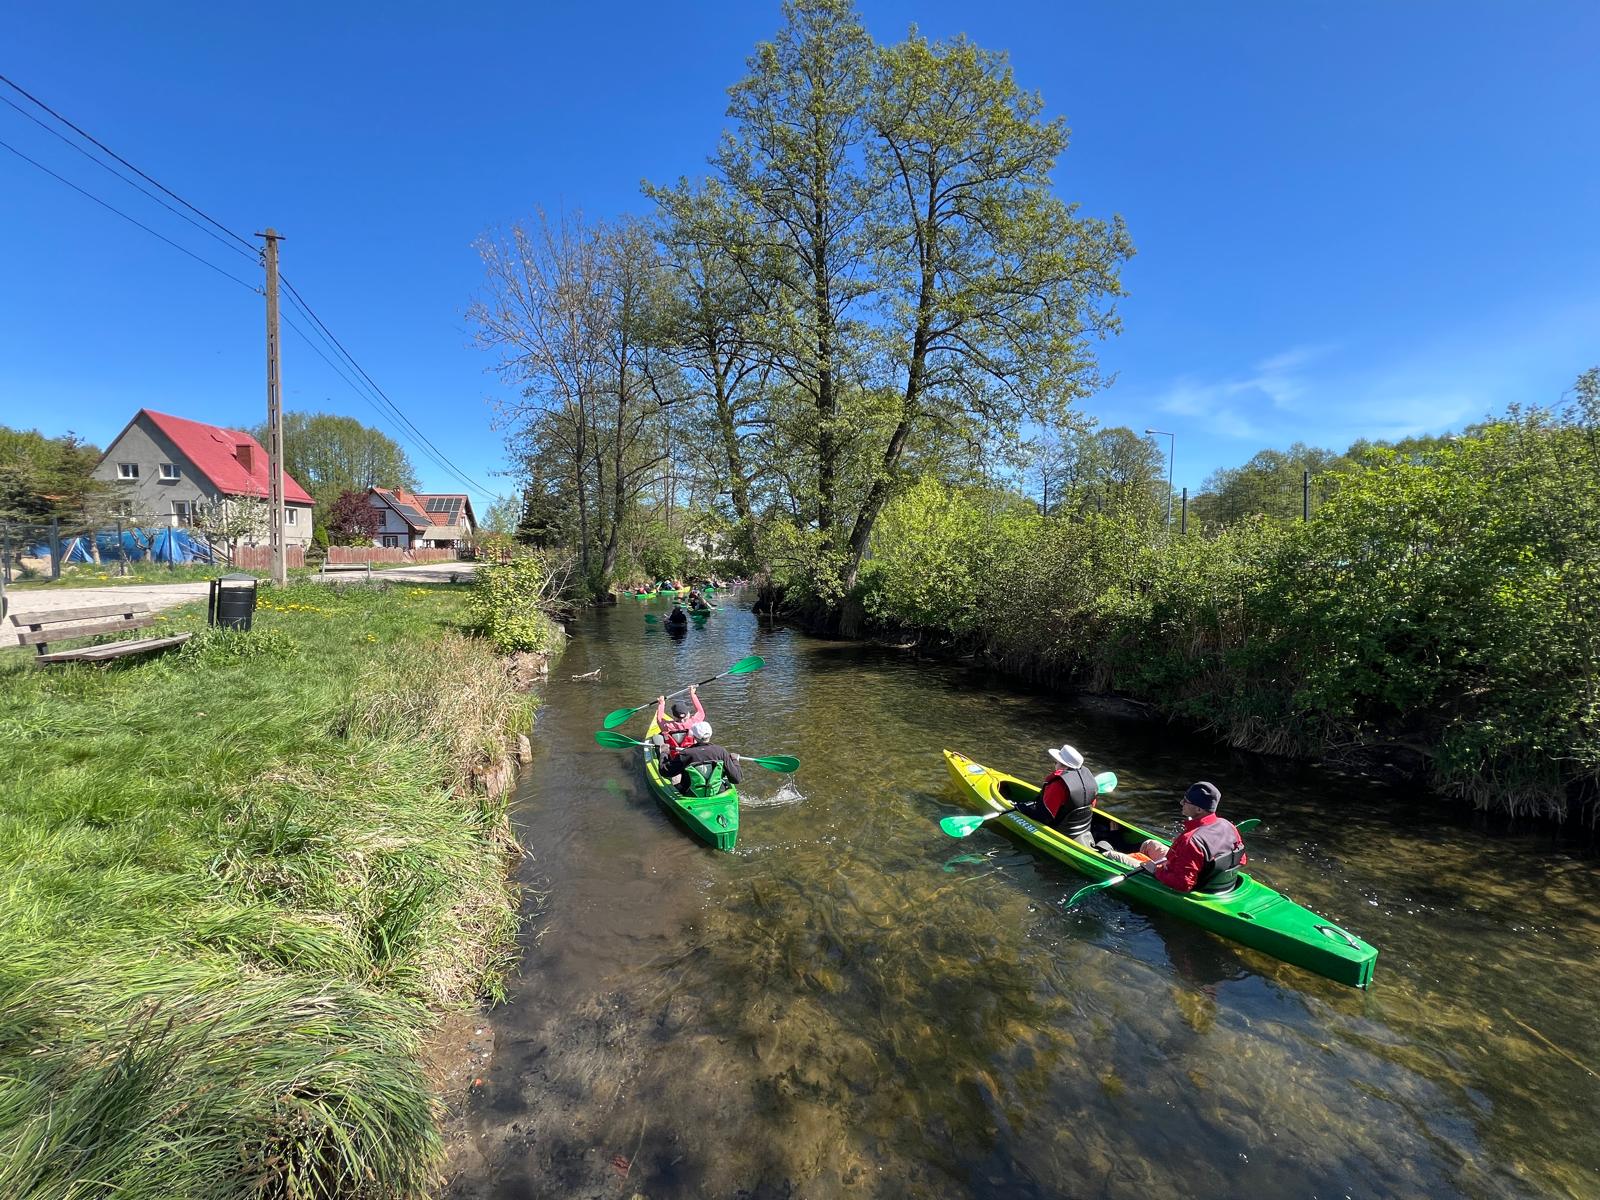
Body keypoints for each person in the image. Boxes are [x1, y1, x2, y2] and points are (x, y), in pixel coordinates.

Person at [1136, 782, 1247, 894]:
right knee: (1149, 844)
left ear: (1199, 810)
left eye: (1186, 801)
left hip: (1186, 882)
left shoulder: (1191, 840)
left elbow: (1183, 884)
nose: (1181, 802)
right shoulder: (1228, 825)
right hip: (1219, 884)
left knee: (1123, 859)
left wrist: (1155, 870)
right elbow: (1242, 860)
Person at [664, 721, 743, 797]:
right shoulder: (721, 751)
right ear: (710, 734)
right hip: (717, 792)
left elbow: (665, 772)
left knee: (675, 780)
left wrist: (664, 753)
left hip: (691, 794)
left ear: (694, 737)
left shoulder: (685, 753)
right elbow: (736, 779)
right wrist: (735, 760)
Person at [653, 686, 704, 751]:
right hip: (691, 752)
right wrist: (692, 694)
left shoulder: (668, 726)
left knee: (657, 737)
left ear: (674, 716)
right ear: (688, 714)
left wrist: (661, 703)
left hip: (674, 753)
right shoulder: (694, 722)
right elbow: (700, 712)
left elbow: (659, 719)